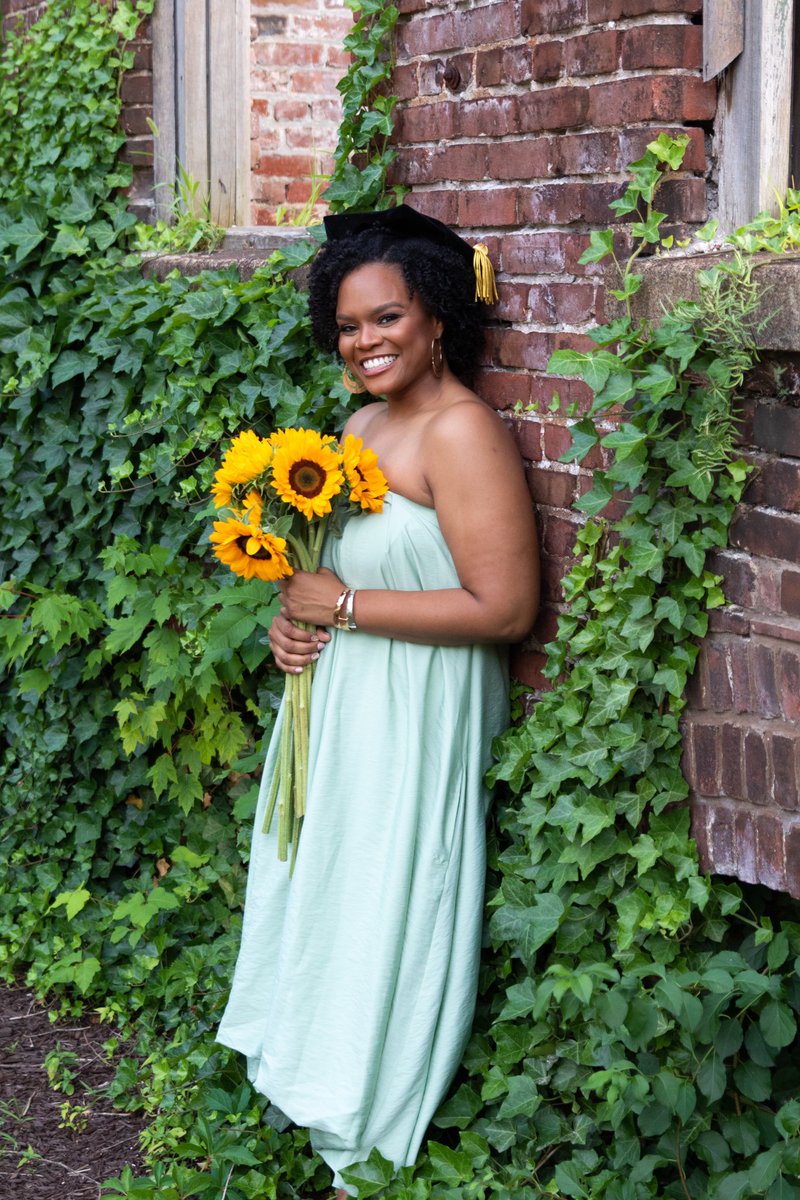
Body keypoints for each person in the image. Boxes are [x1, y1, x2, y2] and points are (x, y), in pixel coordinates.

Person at [216, 204, 540, 1197]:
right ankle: (315, 1071)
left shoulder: (461, 432)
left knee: (392, 888)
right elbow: (332, 567)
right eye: (350, 326)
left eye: (386, 318)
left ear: (437, 318)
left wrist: (345, 605)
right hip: (346, 694)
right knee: (333, 886)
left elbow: (504, 607)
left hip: (417, 707)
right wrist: (296, 619)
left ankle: (371, 1110)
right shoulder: (357, 426)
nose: (366, 343)